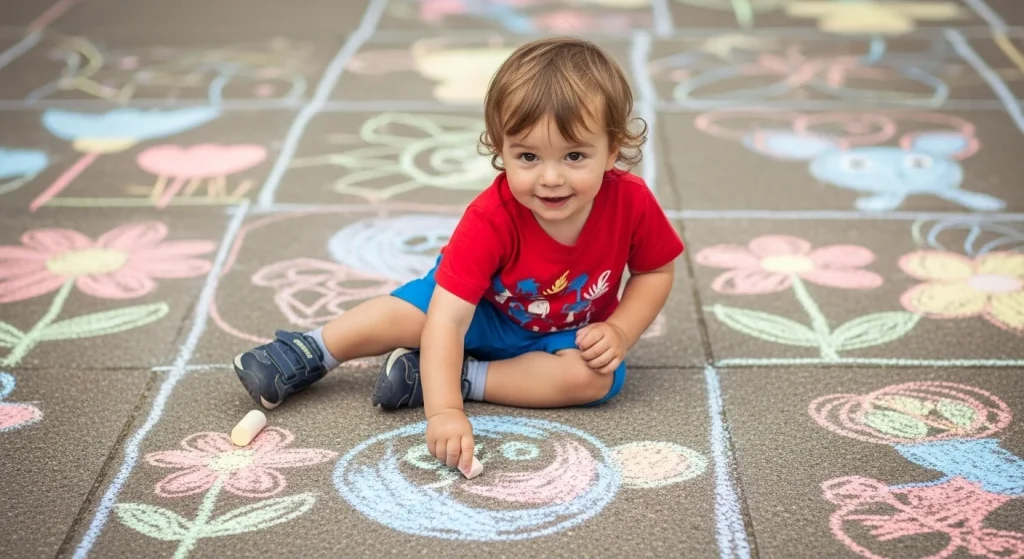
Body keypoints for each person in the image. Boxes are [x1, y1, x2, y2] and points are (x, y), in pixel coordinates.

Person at [232, 36, 684, 474]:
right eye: (528, 157)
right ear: (500, 148)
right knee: (407, 317)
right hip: (480, 310)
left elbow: (655, 271)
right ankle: (313, 349)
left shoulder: (632, 201)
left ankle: (462, 377)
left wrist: (621, 330)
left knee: (597, 378)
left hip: (566, 330)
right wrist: (444, 413)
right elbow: (448, 321)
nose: (550, 178)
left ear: (612, 150)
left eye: (574, 156)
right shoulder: (490, 218)